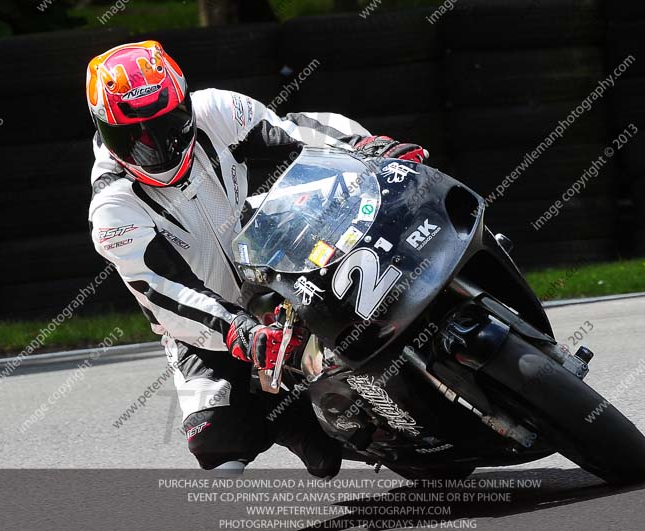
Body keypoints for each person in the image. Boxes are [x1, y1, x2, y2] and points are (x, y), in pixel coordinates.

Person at [86, 41, 428, 477]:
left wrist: (367, 146)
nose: (157, 146)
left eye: (168, 124)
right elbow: (168, 292)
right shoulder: (113, 207)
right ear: (104, 131)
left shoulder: (217, 110)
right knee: (216, 439)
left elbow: (297, 132)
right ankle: (288, 415)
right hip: (209, 327)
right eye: (134, 137)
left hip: (273, 264)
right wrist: (240, 331)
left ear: (185, 103)